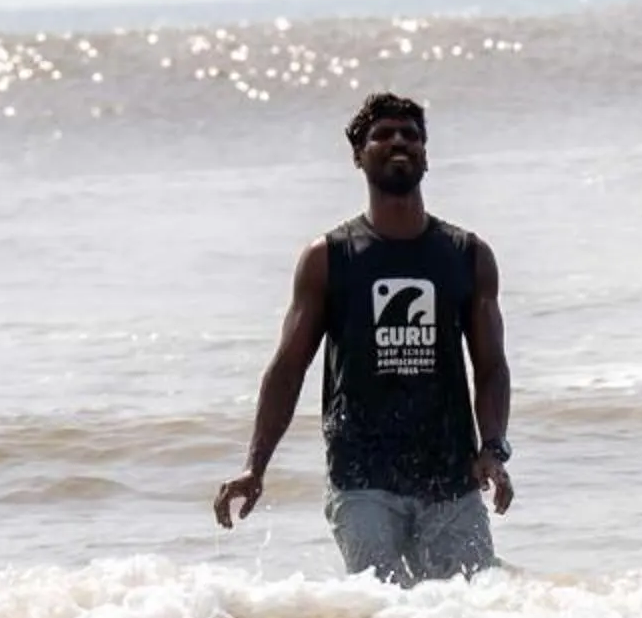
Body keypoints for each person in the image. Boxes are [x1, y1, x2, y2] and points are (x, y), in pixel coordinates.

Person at [213, 91, 514, 582]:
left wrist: (493, 449)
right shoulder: (329, 257)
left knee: (471, 616)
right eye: (383, 135)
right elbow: (288, 368)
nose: (399, 142)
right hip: (361, 479)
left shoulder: (467, 254)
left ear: (426, 154)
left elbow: (492, 366)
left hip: (451, 477)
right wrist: (255, 466)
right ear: (358, 155)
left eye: (411, 135)